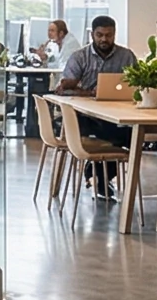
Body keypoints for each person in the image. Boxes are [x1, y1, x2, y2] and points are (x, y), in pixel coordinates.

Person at [53, 16, 139, 195]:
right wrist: (90, 93)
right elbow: (62, 90)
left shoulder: (127, 56)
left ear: (115, 34)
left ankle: (96, 174)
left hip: (115, 113)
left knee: (132, 137)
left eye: (109, 35)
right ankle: (100, 177)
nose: (104, 39)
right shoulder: (79, 57)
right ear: (92, 34)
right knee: (118, 137)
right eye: (99, 35)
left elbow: (137, 86)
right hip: (85, 117)